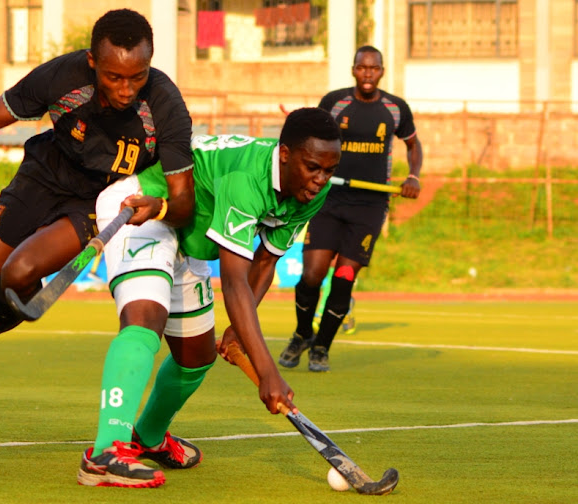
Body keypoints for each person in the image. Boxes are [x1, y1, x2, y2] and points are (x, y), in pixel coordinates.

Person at [0, 9, 195, 473]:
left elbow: (183, 201)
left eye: (137, 76)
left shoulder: (164, 104)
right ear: (92, 62)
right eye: (114, 77)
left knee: (20, 274)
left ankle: (5, 310)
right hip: (40, 179)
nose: (126, 89)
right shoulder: (61, 77)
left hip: (102, 201)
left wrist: (159, 208)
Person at [75, 108, 342, 488]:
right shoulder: (247, 178)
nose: (320, 180)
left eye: (329, 171)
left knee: (196, 356)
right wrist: (267, 372)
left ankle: (148, 437)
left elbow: (266, 259)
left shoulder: (312, 190)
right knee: (145, 318)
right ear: (285, 154)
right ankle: (105, 454)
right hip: (148, 209)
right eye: (313, 167)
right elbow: (233, 284)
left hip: (193, 238)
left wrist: (237, 329)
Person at [278, 45, 423, 373]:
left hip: (370, 206)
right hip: (330, 198)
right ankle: (302, 333)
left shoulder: (396, 109)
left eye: (374, 68)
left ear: (382, 72)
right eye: (362, 67)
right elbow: (312, 138)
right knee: (312, 274)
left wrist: (413, 176)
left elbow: (413, 145)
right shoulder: (335, 102)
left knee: (344, 276)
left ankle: (321, 348)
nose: (367, 74)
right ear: (354, 69)